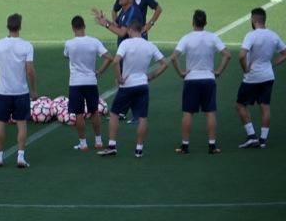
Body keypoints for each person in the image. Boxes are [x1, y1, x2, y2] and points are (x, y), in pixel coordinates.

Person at [99, 21, 168, 158]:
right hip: (143, 85)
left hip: (127, 86)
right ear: (141, 30)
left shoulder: (126, 44)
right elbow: (164, 63)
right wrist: (152, 76)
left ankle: (112, 146)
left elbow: (116, 61)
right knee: (142, 117)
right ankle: (139, 149)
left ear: (130, 30)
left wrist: (119, 78)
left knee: (114, 114)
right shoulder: (150, 46)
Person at [170, 10, 232, 155]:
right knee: (210, 112)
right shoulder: (213, 37)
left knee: (188, 113)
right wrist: (218, 71)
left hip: (191, 79)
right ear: (205, 22)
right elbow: (227, 55)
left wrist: (181, 72)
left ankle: (185, 146)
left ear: (193, 22)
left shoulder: (186, 38)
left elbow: (173, 57)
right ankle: (212, 146)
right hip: (209, 79)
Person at [0, 13, 37, 168]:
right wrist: (34, 90)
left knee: (1, 123)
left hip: (3, 92)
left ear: (8, 26)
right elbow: (30, 70)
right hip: (21, 91)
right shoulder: (27, 46)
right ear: (20, 26)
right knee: (21, 124)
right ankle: (21, 157)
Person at [236, 8, 286, 149]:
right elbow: (284, 53)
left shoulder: (251, 36)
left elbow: (241, 55)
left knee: (240, 105)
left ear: (254, 20)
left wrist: (245, 68)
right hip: (268, 76)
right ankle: (263, 140)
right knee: (265, 107)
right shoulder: (274, 36)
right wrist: (272, 64)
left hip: (252, 77)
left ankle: (252, 136)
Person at [64, 15, 113, 152]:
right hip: (91, 81)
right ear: (84, 26)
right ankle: (98, 141)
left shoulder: (69, 44)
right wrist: (99, 71)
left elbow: (66, 55)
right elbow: (109, 57)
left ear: (73, 28)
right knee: (94, 111)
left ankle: (83, 144)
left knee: (79, 113)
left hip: (75, 83)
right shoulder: (94, 42)